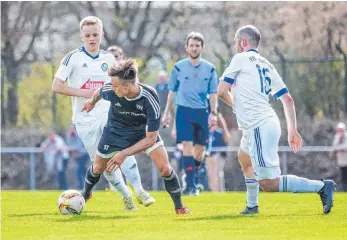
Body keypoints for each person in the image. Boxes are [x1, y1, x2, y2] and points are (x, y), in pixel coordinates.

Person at [217, 25, 336, 215]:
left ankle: (321, 187)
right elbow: (287, 99)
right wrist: (292, 130)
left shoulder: (240, 58)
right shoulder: (267, 64)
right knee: (244, 158)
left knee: (269, 184)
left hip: (258, 125)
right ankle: (252, 205)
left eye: (236, 43)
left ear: (243, 42)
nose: (235, 47)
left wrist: (235, 106)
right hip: (265, 122)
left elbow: (221, 91)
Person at [52, 16, 155, 211]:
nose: (92, 38)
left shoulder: (109, 59)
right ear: (81, 37)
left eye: (95, 35)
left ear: (102, 35)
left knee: (123, 149)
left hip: (109, 115)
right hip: (84, 120)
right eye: (87, 35)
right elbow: (56, 85)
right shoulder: (73, 58)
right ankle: (127, 196)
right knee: (102, 161)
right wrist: (85, 93)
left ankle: (140, 190)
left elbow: (126, 85)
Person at [82, 59, 190, 214]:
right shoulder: (111, 90)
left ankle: (179, 207)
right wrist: (91, 102)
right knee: (98, 167)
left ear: (127, 86)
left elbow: (151, 139)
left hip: (142, 134)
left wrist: (124, 154)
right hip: (114, 132)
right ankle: (85, 193)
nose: (112, 88)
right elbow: (99, 92)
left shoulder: (149, 97)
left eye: (116, 85)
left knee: (165, 169)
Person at [162, 31, 219, 196]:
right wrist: (167, 113)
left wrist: (214, 113)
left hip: (202, 112)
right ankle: (191, 184)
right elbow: (172, 92)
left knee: (200, 151)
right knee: (186, 145)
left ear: (202, 47)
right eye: (191, 45)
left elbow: (213, 93)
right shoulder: (178, 67)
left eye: (197, 45)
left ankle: (192, 178)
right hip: (184, 111)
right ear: (187, 47)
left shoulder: (210, 69)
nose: (194, 48)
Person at [205, 113, 231, 192]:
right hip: (208, 157)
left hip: (218, 157)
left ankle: (220, 190)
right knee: (210, 175)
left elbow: (225, 144)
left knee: (218, 174)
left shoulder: (219, 133)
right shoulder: (205, 133)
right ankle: (213, 190)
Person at [65, 126, 90, 190]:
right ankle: (83, 188)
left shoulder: (79, 135)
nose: (71, 131)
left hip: (84, 156)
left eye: (72, 129)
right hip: (77, 157)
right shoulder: (69, 136)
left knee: (81, 173)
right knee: (80, 173)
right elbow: (69, 145)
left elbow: (78, 147)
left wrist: (70, 148)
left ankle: (84, 188)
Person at [331, 122, 347, 191]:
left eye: (341, 130)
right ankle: (344, 190)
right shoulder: (337, 137)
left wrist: (339, 148)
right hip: (341, 161)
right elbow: (334, 147)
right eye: (339, 129)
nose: (340, 131)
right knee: (343, 177)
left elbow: (345, 147)